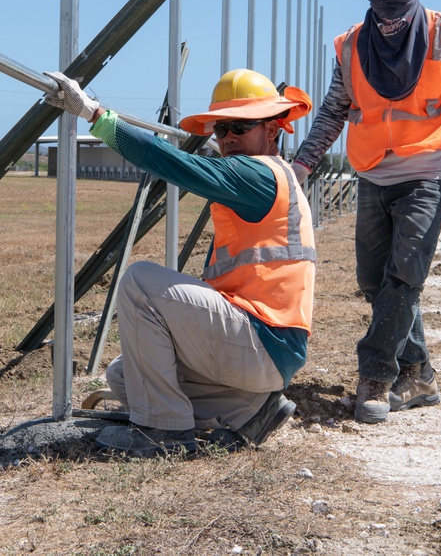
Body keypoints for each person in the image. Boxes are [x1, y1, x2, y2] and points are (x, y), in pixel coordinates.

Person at [290, 0, 441, 424]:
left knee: (404, 276)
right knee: (373, 281)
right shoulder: (349, 46)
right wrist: (302, 162)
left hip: (429, 174)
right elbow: (334, 109)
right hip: (373, 177)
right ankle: (421, 374)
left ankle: (375, 377)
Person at [45, 69, 315, 457]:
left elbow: (172, 163)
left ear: (272, 130)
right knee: (124, 376)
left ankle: (162, 433)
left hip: (261, 342)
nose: (229, 139)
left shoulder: (257, 174)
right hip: (265, 351)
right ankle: (248, 410)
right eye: (221, 129)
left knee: (139, 281)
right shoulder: (272, 177)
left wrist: (95, 116)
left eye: (241, 127)